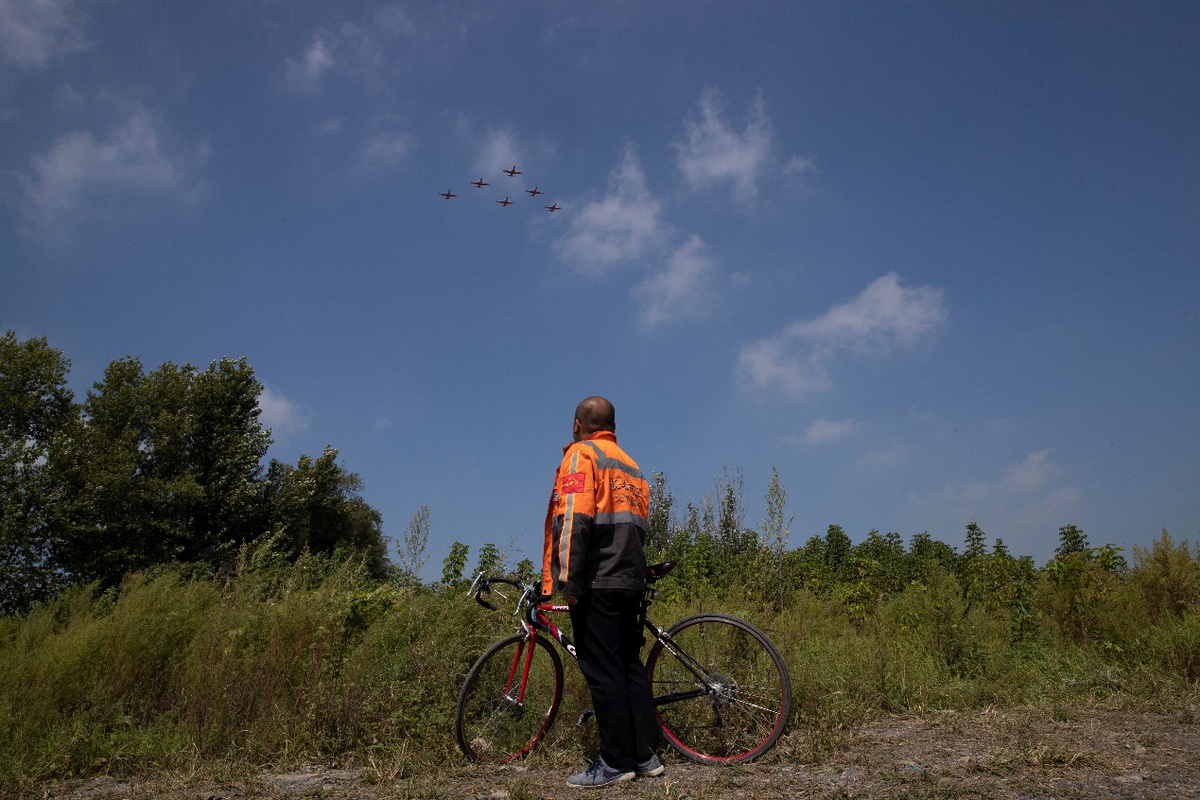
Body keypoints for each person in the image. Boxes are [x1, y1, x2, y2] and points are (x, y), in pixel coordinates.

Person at [541, 396, 663, 788]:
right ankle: (644, 755)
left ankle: (614, 762)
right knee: (628, 666)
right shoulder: (631, 466)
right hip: (629, 578)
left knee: (602, 671)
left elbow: (573, 518)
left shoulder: (582, 456)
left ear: (578, 424)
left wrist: (568, 581)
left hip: (598, 579)